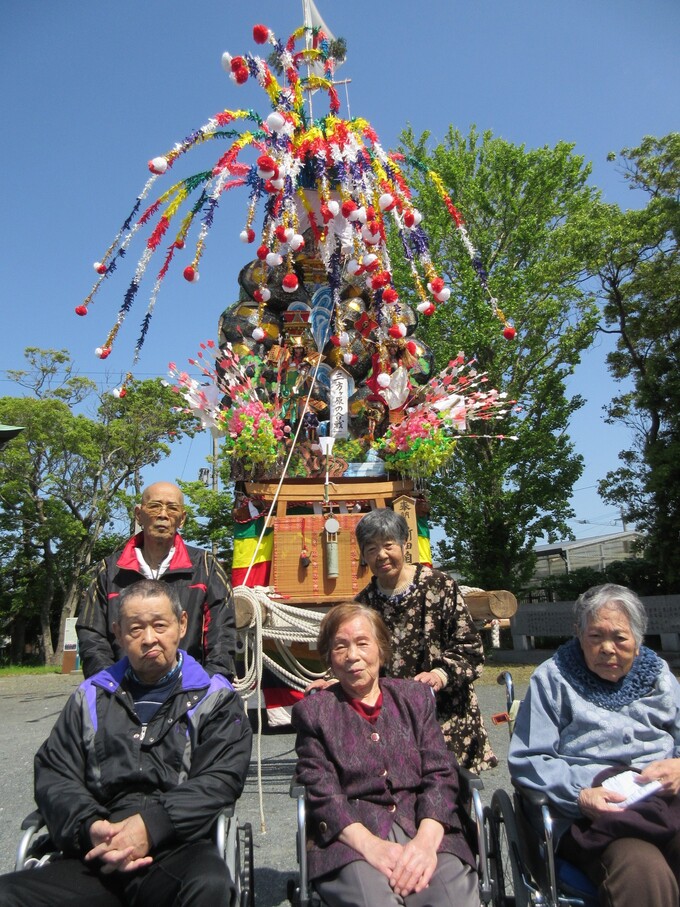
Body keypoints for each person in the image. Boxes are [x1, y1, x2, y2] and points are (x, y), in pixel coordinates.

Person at [0, 579, 252, 907]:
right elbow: (54, 774)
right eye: (135, 629)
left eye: (160, 625)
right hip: (98, 850)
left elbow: (219, 780)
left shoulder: (214, 698)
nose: (149, 639)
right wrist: (91, 826)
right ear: (118, 634)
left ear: (182, 625)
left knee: (209, 886)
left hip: (177, 847)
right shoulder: (90, 697)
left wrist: (151, 826)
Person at [292, 602, 480, 907]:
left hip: (425, 824)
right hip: (352, 835)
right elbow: (323, 791)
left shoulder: (415, 698)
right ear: (329, 657)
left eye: (362, 643)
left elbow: (440, 772)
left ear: (381, 649)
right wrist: (372, 847)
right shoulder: (315, 712)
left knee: (451, 900)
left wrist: (425, 842)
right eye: (340, 646)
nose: (352, 655)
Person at [508, 582, 680, 907]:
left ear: (638, 641)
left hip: (665, 804)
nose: (607, 648)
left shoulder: (660, 676)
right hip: (595, 818)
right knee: (642, 869)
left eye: (619, 637)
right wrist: (579, 794)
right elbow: (529, 759)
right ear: (579, 634)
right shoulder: (554, 678)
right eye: (595, 637)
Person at [354, 508, 496, 772]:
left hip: (445, 714)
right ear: (363, 555)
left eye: (388, 545)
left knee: (452, 799)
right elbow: (355, 658)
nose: (381, 555)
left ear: (404, 544)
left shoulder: (439, 586)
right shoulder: (364, 604)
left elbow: (471, 648)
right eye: (371, 549)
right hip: (391, 719)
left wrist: (441, 675)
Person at [77, 481, 236, 680]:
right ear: (138, 514)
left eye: (172, 508)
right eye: (154, 506)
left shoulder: (205, 567)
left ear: (182, 518)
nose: (163, 514)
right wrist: (109, 685)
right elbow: (91, 634)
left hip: (191, 690)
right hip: (120, 689)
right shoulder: (109, 571)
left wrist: (209, 685)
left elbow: (223, 634)